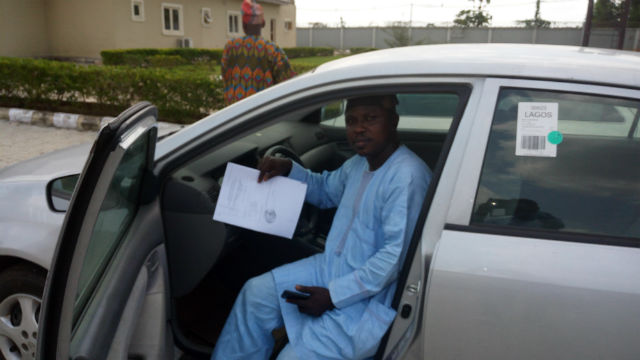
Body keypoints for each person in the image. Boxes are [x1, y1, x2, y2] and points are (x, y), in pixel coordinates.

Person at [211, 95, 432, 360]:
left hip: (367, 296)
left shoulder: (408, 176)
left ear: (393, 121)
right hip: (329, 268)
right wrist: (288, 168)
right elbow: (325, 190)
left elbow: (393, 260)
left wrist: (333, 296)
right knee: (255, 295)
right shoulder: (359, 163)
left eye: (370, 119)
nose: (358, 128)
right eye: (351, 121)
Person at [221, 0, 295, 106]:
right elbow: (289, 83)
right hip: (261, 116)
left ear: (243, 24)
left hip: (233, 116)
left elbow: (225, 75)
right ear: (263, 23)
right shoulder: (272, 50)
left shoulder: (230, 48)